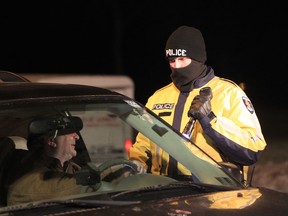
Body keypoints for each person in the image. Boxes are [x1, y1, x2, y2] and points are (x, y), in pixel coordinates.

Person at [128, 25, 267, 184]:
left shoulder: (229, 93)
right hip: (164, 190)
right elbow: (144, 143)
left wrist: (211, 120)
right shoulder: (158, 97)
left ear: (198, 59)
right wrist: (135, 163)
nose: (177, 67)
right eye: (172, 61)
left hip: (214, 192)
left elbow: (253, 150)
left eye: (182, 59)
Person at [7, 115, 94, 205]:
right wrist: (102, 176)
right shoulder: (28, 173)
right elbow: (55, 188)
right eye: (70, 132)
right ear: (51, 140)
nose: (77, 137)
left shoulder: (73, 167)